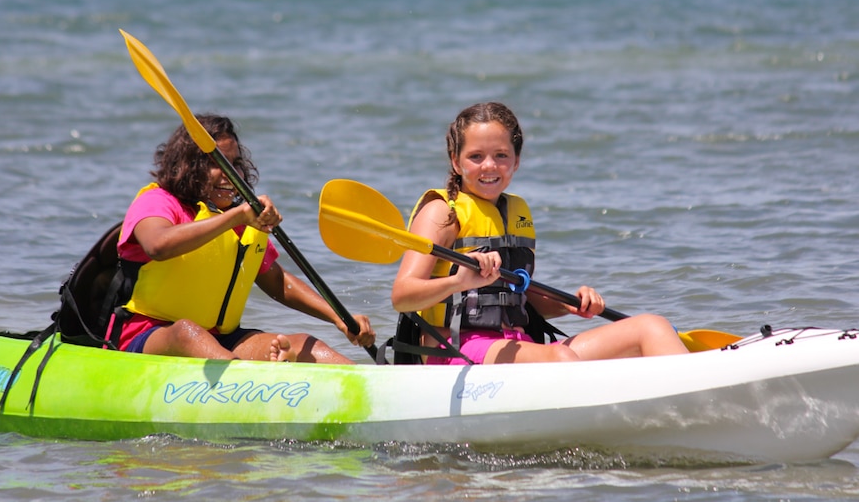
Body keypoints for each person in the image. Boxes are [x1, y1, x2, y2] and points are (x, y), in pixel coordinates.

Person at [391, 102, 688, 365]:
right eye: (476, 156)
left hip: (518, 346)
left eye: (501, 155)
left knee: (651, 325)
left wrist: (570, 304)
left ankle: (697, 403)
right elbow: (402, 297)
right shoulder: (443, 212)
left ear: (516, 161)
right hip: (456, 350)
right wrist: (458, 281)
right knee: (560, 358)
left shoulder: (514, 212)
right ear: (456, 161)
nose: (490, 165)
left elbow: (522, 301)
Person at [113, 113, 375, 363]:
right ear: (187, 166)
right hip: (148, 337)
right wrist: (236, 217)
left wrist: (338, 317)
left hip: (224, 340)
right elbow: (157, 245)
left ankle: (370, 388)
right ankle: (258, 380)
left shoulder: (239, 219)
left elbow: (277, 281)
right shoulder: (157, 201)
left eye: (235, 163)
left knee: (304, 344)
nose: (229, 173)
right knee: (187, 332)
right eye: (216, 163)